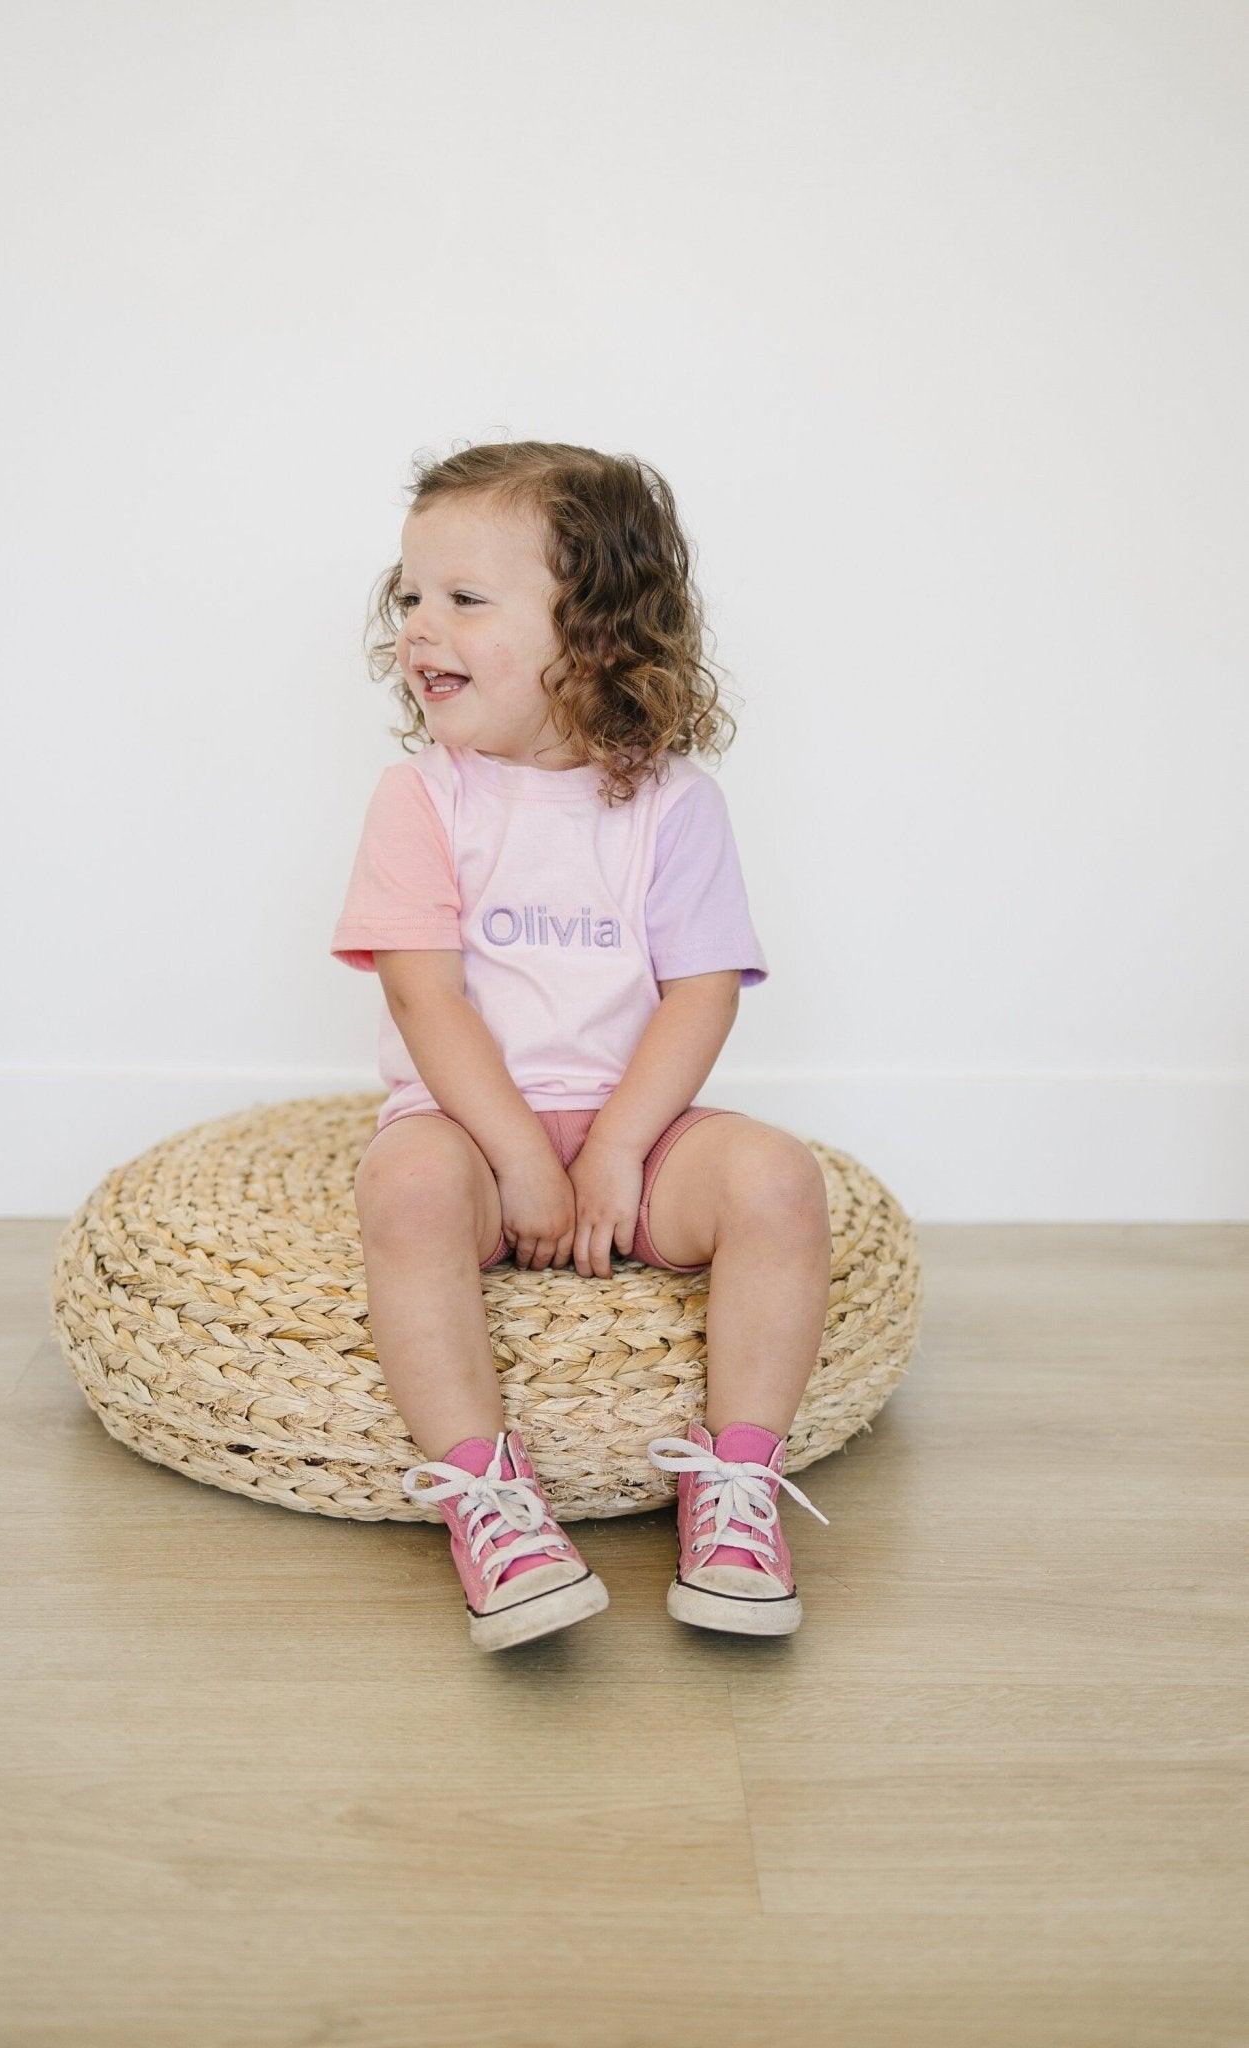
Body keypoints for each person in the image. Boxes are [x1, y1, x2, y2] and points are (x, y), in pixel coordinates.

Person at [330, 439, 833, 1653]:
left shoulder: (673, 804)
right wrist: (516, 1159)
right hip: (469, 1126)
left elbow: (699, 993)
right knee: (402, 1184)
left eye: (463, 598)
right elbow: (426, 1001)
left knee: (778, 1181)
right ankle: (489, 1496)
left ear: (594, 630)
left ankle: (736, 1487)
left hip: (639, 1135)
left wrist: (615, 1150)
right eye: (410, 596)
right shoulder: (424, 799)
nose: (418, 627)